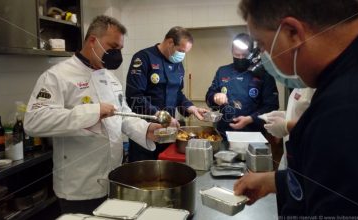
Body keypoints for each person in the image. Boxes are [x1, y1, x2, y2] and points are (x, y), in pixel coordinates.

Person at [234, 0, 358, 218]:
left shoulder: (344, 109)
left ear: (292, 33)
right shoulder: (352, 69)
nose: (264, 57)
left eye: (262, 45)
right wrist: (275, 181)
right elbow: (331, 181)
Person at [24, 16, 162, 215]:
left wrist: (146, 129)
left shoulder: (110, 78)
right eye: (113, 46)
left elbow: (123, 115)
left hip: (113, 183)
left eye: (120, 49)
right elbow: (34, 121)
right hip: (79, 188)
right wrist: (93, 111)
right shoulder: (57, 76)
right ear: (92, 41)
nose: (117, 54)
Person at [125, 26, 208, 162]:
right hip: (145, 131)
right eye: (181, 50)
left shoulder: (178, 64)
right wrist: (159, 116)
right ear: (170, 42)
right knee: (144, 175)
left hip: (168, 133)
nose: (182, 55)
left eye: (185, 52)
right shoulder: (143, 58)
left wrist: (191, 108)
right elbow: (134, 97)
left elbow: (178, 94)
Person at [205, 33, 279, 141]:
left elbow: (272, 106)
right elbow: (208, 97)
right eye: (236, 55)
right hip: (223, 135)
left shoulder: (264, 74)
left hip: (254, 135)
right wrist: (215, 96)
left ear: (251, 53)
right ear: (232, 52)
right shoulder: (222, 71)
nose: (240, 58)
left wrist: (250, 119)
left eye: (244, 55)